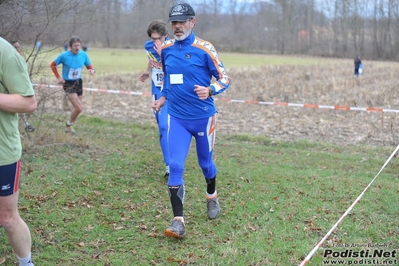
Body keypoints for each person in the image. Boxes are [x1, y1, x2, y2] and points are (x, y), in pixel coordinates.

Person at [152, 3, 231, 239]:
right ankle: (178, 221)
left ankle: (212, 195)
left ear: (192, 22)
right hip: (177, 118)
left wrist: (211, 89)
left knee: (205, 164)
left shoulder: (204, 49)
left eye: (182, 22)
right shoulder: (165, 49)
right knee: (175, 165)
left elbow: (224, 78)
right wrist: (163, 97)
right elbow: (168, 78)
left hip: (203, 118)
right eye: (174, 23)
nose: (177, 27)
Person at [0, 37, 37, 266]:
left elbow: (28, 103)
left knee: (7, 217)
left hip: (2, 153)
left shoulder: (4, 52)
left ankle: (26, 263)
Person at [139, 20, 170, 178]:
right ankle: (168, 163)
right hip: (156, 89)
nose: (156, 42)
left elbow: (174, 68)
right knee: (162, 127)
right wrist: (147, 71)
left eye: (159, 39)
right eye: (153, 39)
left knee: (166, 126)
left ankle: (170, 166)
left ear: (166, 36)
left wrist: (162, 54)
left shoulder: (172, 47)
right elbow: (151, 58)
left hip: (171, 91)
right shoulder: (148, 46)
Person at [50, 36, 95, 134]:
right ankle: (68, 124)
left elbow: (89, 66)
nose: (77, 48)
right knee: (79, 108)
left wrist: (91, 70)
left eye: (79, 45)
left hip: (78, 82)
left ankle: (69, 128)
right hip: (68, 84)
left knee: (77, 108)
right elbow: (52, 65)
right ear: (70, 46)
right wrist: (58, 77)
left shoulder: (83, 54)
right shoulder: (64, 56)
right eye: (75, 46)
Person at [10, 40, 35, 132]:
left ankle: (25, 124)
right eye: (15, 47)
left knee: (20, 104)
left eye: (18, 47)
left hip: (19, 83)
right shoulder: (7, 56)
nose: (17, 49)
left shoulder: (19, 55)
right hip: (9, 83)